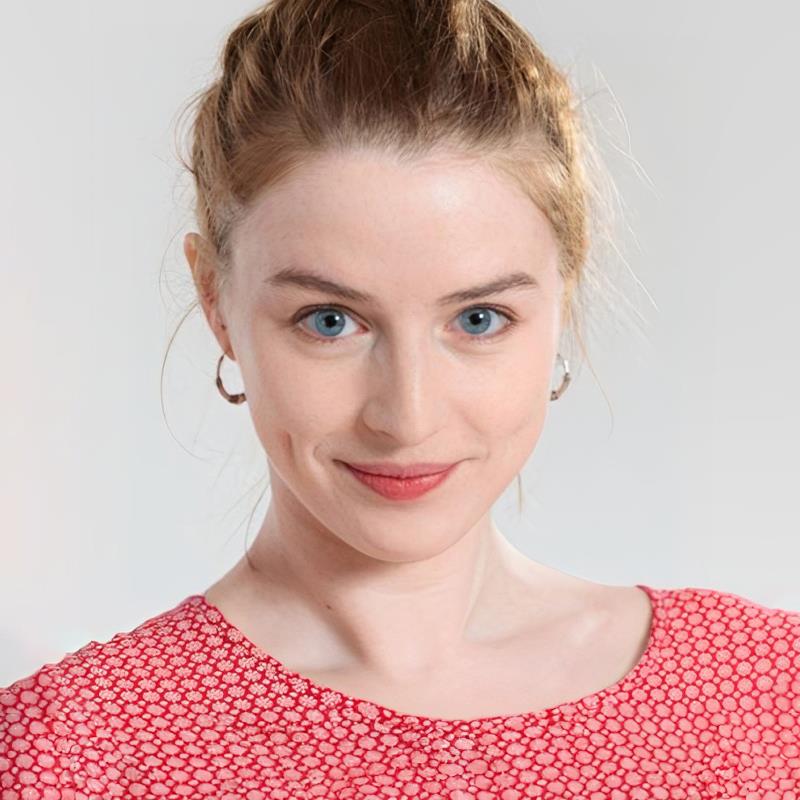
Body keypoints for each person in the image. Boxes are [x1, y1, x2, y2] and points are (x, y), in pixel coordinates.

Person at [2, 1, 798, 796]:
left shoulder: (766, 694)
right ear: (216, 301)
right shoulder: (67, 756)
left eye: (479, 319)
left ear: (563, 296)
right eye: (329, 320)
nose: (407, 416)